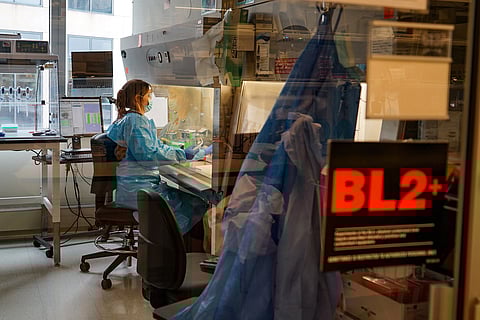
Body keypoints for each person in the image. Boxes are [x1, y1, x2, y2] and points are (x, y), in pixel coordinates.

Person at [106, 79, 208, 234]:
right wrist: (184, 155)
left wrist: (181, 150)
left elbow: (155, 146)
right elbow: (149, 156)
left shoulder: (127, 119)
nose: (151, 99)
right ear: (138, 98)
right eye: (149, 95)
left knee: (191, 201)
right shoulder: (137, 122)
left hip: (131, 188)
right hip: (140, 190)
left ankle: (164, 243)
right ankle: (168, 246)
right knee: (196, 204)